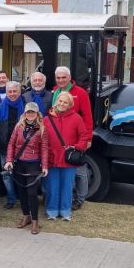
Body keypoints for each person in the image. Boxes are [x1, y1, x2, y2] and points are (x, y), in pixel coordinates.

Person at [43, 91, 91, 221]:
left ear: (70, 105)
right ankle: (51, 210)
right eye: (60, 101)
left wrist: (77, 147)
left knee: (67, 186)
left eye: (65, 102)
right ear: (56, 101)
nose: (62, 104)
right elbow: (41, 139)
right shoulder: (47, 119)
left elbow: (84, 135)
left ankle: (65, 211)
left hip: (69, 159)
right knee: (52, 186)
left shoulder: (76, 118)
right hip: (52, 158)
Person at [4, 102, 50, 234]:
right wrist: (9, 160)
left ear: (37, 114)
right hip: (19, 163)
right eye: (28, 112)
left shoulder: (41, 129)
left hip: (33, 164)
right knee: (22, 192)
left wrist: (45, 165)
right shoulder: (18, 126)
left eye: (33, 112)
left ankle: (35, 220)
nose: (30, 114)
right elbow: (11, 144)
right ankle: (26, 216)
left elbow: (44, 148)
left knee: (31, 193)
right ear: (25, 113)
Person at [52, 66, 93, 211]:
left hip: (76, 140)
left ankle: (80, 199)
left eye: (64, 77)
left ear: (69, 78)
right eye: (58, 78)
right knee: (61, 170)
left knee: (79, 171)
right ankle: (64, 197)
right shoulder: (54, 91)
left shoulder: (80, 93)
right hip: (59, 140)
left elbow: (87, 116)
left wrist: (87, 139)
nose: (61, 80)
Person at [0, 81, 25, 209]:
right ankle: (11, 199)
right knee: (7, 175)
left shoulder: (27, 108)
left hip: (22, 148)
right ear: (6, 93)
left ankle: (22, 198)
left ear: (19, 92)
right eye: (10, 91)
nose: (12, 94)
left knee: (21, 174)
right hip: (4, 147)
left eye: (15, 91)